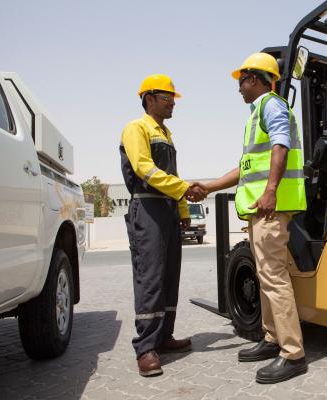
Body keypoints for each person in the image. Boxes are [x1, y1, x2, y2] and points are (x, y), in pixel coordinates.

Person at [203, 53, 307, 384]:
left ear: (254, 79)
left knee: (274, 277)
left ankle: (293, 354)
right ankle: (272, 338)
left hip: (270, 208)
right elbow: (246, 167)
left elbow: (281, 145)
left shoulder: (271, 106)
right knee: (266, 276)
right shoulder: (255, 116)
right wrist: (209, 186)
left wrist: (272, 190)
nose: (238, 89)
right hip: (259, 209)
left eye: (241, 82)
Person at [119, 74, 207, 377]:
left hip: (168, 210)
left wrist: (183, 208)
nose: (173, 103)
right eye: (168, 97)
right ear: (150, 98)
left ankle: (164, 337)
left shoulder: (166, 134)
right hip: (147, 208)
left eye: (173, 98)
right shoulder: (136, 128)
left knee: (170, 275)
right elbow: (145, 168)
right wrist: (184, 190)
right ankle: (145, 347)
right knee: (151, 277)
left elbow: (174, 173)